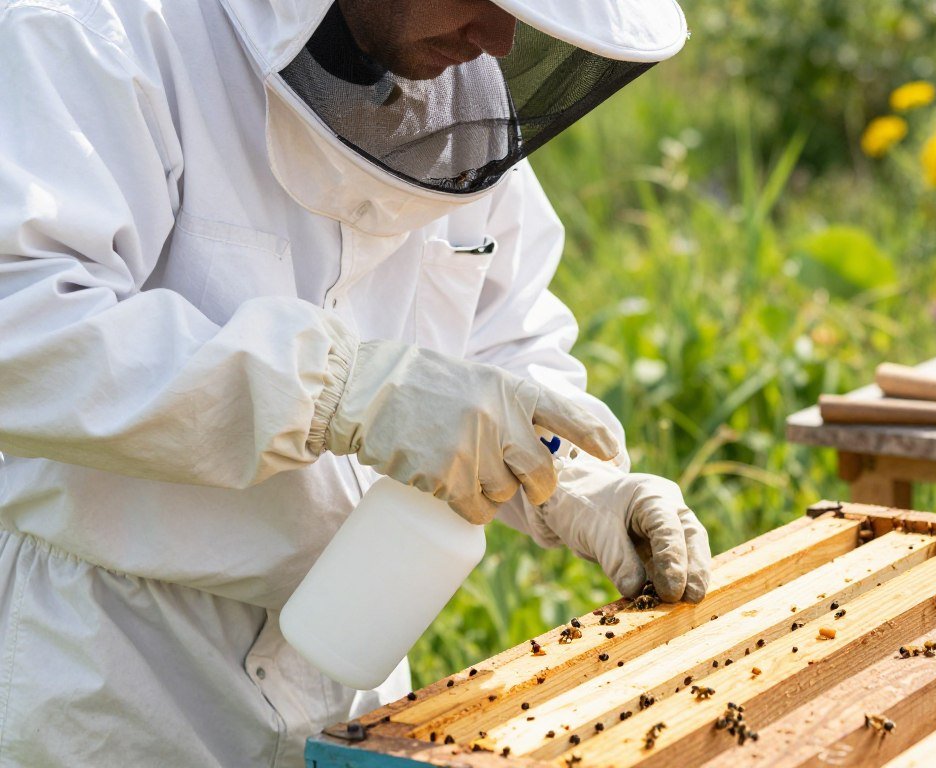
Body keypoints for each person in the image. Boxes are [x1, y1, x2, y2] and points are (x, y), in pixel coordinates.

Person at [0, 0, 711, 764]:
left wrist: (571, 480)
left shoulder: (463, 90)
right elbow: (27, 324)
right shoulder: (100, 30)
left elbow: (504, 337)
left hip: (355, 646)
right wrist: (344, 392)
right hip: (117, 669)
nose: (500, 38)